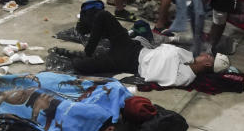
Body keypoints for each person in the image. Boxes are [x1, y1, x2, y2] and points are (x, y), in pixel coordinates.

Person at [64, 8, 217, 86]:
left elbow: (159, 78)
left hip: (128, 61)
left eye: (208, 56)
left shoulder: (186, 76)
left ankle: (88, 57)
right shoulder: (187, 57)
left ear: (208, 63)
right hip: (133, 47)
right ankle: (89, 51)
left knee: (79, 65)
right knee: (103, 15)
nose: (204, 54)